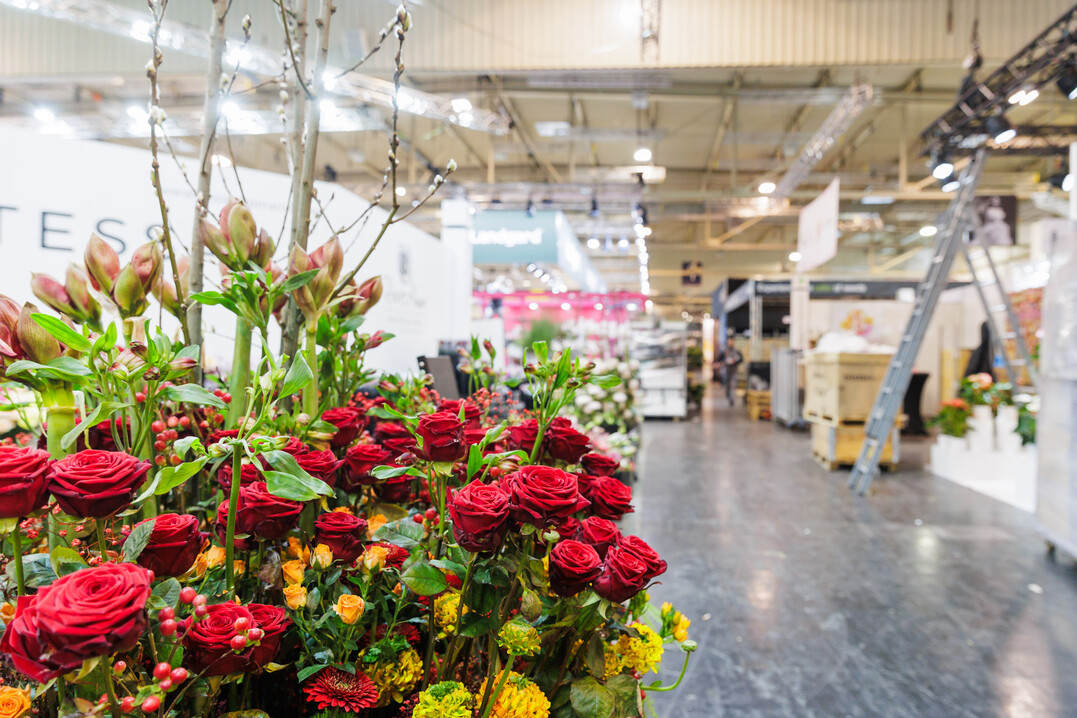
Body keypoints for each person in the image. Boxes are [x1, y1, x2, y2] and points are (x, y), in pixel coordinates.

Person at [716, 336, 743, 407]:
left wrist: (735, 361)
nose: (730, 343)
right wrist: (718, 364)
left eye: (732, 341)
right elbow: (719, 359)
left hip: (734, 371)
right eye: (729, 341)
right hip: (726, 371)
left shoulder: (737, 351)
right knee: (727, 386)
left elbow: (741, 359)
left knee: (733, 385)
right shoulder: (724, 351)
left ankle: (732, 399)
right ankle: (728, 397)